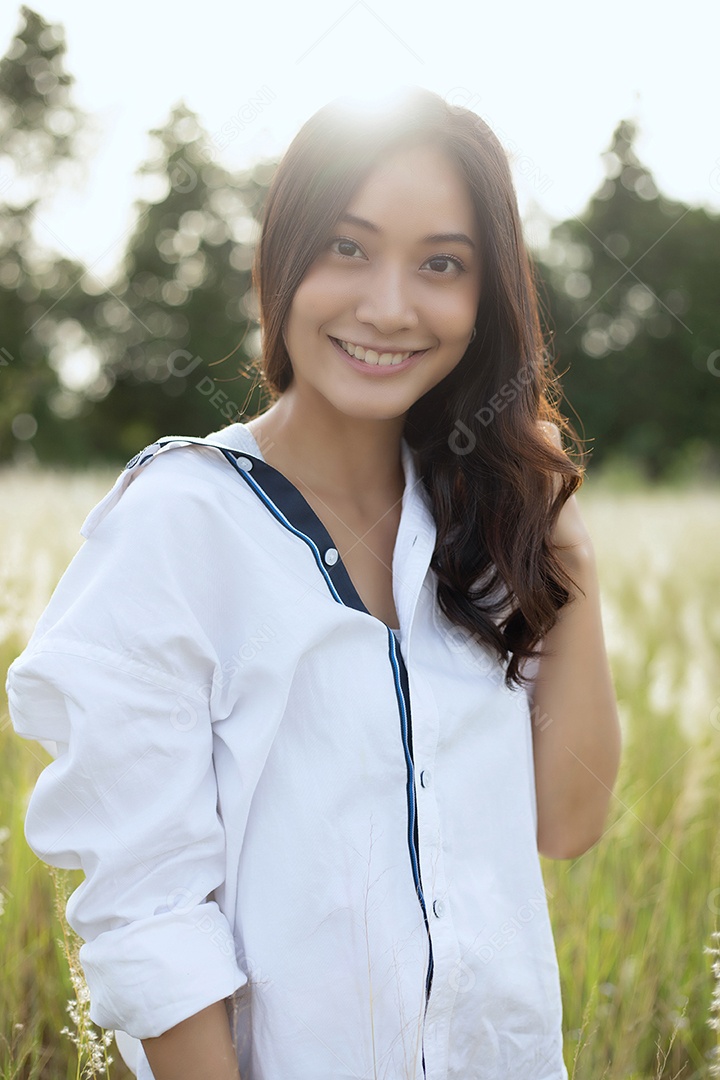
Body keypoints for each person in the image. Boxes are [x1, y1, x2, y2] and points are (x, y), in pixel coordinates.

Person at [6, 86, 621, 1080]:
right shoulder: (179, 521)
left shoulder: (483, 523)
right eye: (348, 247)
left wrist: (565, 539)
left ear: (485, 296)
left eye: (441, 264)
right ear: (283, 257)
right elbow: (149, 919)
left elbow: (568, 821)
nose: (389, 305)